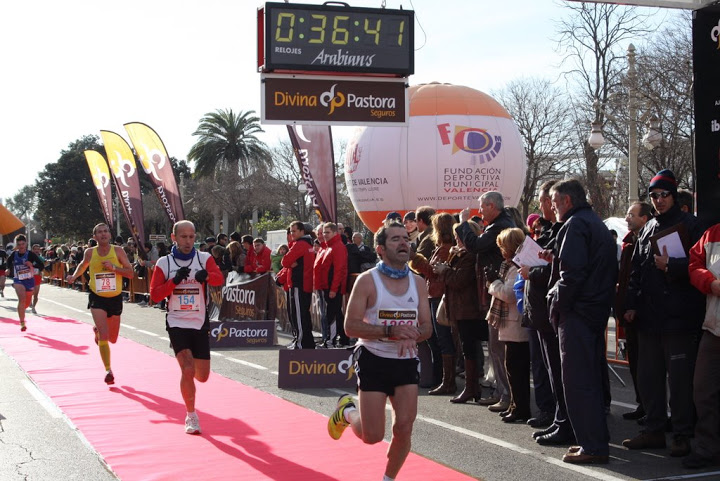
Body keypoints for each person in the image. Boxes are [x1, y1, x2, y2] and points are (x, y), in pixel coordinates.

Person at [327, 221, 432, 481]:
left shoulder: (418, 283)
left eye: (406, 238)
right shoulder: (367, 281)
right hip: (373, 358)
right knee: (372, 436)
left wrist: (415, 335)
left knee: (405, 427)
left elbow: (427, 326)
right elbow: (350, 327)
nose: (404, 243)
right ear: (380, 249)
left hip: (406, 361)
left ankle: (388, 478)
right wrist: (389, 332)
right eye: (395, 239)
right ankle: (348, 411)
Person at [623, 169, 704, 458]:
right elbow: (636, 270)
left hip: (680, 317)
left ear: (674, 195)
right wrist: (631, 304)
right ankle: (654, 430)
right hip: (649, 317)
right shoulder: (646, 227)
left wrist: (673, 266)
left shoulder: (691, 225)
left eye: (663, 195)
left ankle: (682, 434)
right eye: (654, 196)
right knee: (649, 377)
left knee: (680, 381)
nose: (658, 200)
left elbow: (702, 267)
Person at [544, 179, 617, 464]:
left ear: (566, 200)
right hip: (592, 310)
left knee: (578, 382)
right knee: (588, 380)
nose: (551, 206)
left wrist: (555, 303)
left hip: (579, 313)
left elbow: (572, 275)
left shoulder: (576, 225)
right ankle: (593, 440)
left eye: (554, 200)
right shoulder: (592, 221)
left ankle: (593, 446)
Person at [150, 220, 224, 435]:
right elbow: (155, 295)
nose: (188, 241)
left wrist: (207, 276)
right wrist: (174, 281)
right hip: (176, 322)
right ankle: (191, 415)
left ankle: (189, 391)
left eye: (191, 236)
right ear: (174, 237)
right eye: (183, 237)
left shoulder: (204, 258)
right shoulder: (164, 263)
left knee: (202, 376)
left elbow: (219, 279)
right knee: (187, 368)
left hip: (199, 321)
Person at [457, 191, 516, 412]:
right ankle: (502, 393)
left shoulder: (500, 226)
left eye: (482, 207)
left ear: (492, 206)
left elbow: (476, 245)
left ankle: (506, 395)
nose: (479, 212)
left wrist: (463, 224)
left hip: (500, 292)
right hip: (495, 290)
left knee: (499, 349)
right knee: (495, 347)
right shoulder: (498, 225)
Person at [66, 224, 134, 384]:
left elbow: (130, 273)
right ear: (94, 236)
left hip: (115, 297)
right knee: (105, 336)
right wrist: (74, 276)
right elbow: (83, 266)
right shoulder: (90, 252)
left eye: (105, 231)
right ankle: (108, 370)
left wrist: (115, 268)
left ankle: (97, 332)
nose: (103, 234)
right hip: (97, 296)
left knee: (113, 338)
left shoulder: (118, 251)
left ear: (110, 235)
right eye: (99, 232)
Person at [433, 219, 484, 402]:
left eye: (459, 237)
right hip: (461, 308)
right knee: (466, 347)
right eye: (456, 237)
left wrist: (444, 270)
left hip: (468, 309)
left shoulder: (470, 256)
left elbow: (459, 281)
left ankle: (471, 389)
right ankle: (472, 388)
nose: (457, 240)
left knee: (469, 348)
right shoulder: (461, 254)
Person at [409, 212, 457, 396]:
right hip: (435, 294)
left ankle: (446, 381)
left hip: (439, 295)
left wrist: (415, 257)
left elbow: (432, 272)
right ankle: (441, 379)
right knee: (437, 341)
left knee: (442, 340)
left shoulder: (445, 248)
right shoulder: (442, 247)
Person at [685, 221, 720, 468]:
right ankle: (707, 448)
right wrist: (711, 283)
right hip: (714, 328)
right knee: (703, 389)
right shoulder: (712, 234)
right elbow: (694, 265)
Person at [616, 202, 653, 422]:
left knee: (648, 366)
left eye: (632, 214)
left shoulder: (649, 241)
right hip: (627, 311)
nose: (627, 218)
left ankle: (652, 409)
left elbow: (641, 279)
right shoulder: (629, 242)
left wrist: (634, 306)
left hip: (643, 312)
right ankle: (642, 404)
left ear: (645, 219)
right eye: (627, 213)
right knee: (635, 362)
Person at [488, 227, 530, 423]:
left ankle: (520, 407)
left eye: (503, 246)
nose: (501, 250)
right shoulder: (510, 265)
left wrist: (494, 282)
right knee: (512, 367)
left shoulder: (515, 267)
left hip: (516, 324)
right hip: (511, 324)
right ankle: (515, 404)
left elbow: (509, 294)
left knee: (516, 368)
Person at [281, 221, 316, 349]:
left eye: (294, 231)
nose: (292, 234)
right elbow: (288, 262)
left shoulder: (300, 244)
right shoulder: (308, 244)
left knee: (299, 315)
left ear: (302, 231)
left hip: (298, 283)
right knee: (302, 314)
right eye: (291, 231)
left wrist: (291, 262)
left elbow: (285, 261)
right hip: (303, 283)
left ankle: (301, 342)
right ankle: (305, 341)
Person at [317, 222, 349, 347]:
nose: (325, 235)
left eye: (327, 232)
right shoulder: (328, 246)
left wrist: (334, 289)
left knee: (333, 314)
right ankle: (342, 339)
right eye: (324, 232)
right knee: (336, 314)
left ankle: (331, 340)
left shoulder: (338, 247)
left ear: (335, 233)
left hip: (333, 287)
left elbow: (339, 270)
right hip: (328, 286)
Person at [7, 235, 44, 332]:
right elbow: (8, 261)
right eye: (19, 244)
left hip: (29, 280)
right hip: (18, 279)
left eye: (23, 244)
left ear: (26, 243)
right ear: (17, 245)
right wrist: (8, 268)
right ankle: (22, 323)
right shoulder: (14, 254)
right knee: (22, 299)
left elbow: (41, 265)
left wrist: (32, 265)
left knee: (26, 303)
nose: (21, 246)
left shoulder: (30, 254)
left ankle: (23, 311)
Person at [30, 244, 46, 314]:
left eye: (38, 249)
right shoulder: (29, 257)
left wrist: (41, 270)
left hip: (37, 277)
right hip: (29, 277)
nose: (36, 251)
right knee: (30, 292)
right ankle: (29, 301)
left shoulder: (40, 258)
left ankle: (33, 307)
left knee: (36, 294)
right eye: (35, 249)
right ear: (32, 250)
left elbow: (45, 263)